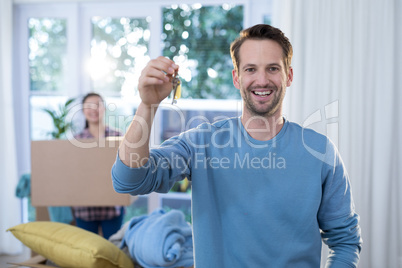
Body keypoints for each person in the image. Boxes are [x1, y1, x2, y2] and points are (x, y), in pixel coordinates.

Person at [112, 24, 362, 267]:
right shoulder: (201, 143)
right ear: (236, 77)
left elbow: (345, 240)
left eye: (273, 68)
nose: (262, 80)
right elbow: (129, 180)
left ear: (289, 76)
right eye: (251, 69)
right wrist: (148, 105)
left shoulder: (319, 150)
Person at [74, 92, 124, 239]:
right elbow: (73, 174)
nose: (93, 109)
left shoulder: (117, 137)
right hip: (84, 208)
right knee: (87, 252)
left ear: (104, 108)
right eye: (89, 106)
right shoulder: (76, 140)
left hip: (112, 206)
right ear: (83, 111)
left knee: (113, 250)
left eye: (97, 105)